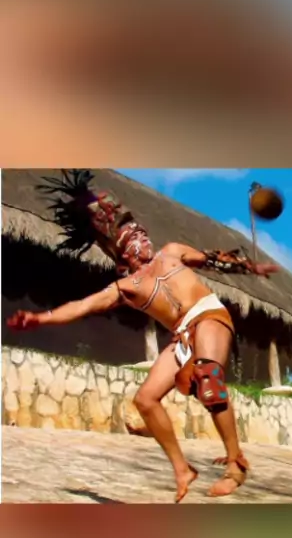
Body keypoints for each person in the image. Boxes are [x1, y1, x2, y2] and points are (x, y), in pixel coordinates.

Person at [7, 170, 278, 502]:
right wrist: (40, 318)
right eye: (131, 235)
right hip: (182, 336)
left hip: (209, 315)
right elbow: (82, 306)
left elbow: (213, 259)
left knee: (208, 380)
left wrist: (250, 266)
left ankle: (236, 464)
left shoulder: (172, 252)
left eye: (140, 231)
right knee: (146, 400)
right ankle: (182, 469)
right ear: (119, 249)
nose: (142, 237)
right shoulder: (126, 287)